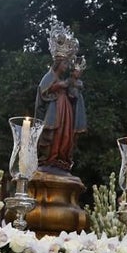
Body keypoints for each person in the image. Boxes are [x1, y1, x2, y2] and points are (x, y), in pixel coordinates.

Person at [35, 24, 87, 173]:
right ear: (58, 62)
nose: (67, 66)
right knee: (55, 134)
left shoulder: (65, 79)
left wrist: (73, 89)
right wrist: (59, 86)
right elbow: (43, 91)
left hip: (66, 111)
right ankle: (50, 158)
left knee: (66, 134)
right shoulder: (49, 77)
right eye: (65, 63)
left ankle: (62, 160)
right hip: (55, 110)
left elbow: (73, 95)